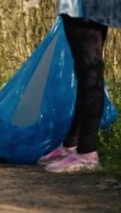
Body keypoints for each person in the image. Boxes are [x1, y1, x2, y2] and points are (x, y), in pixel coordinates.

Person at [38, 1, 121, 173]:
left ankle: (87, 152)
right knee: (85, 69)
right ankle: (72, 144)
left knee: (89, 67)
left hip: (85, 5)